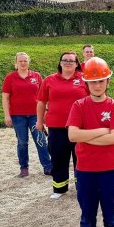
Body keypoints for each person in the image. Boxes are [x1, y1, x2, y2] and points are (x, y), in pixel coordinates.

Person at [67, 57, 114, 227]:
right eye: (93, 81)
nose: (97, 85)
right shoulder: (79, 105)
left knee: (111, 215)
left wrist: (87, 135)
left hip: (109, 170)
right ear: (86, 83)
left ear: (108, 81)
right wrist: (102, 131)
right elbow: (73, 136)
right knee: (87, 215)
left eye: (101, 81)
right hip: (85, 171)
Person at [37, 51, 89, 199]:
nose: (67, 63)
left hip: (80, 127)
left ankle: (83, 187)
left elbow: (93, 99)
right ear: (60, 63)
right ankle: (59, 189)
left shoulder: (84, 78)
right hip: (56, 127)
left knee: (81, 157)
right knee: (59, 158)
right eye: (65, 60)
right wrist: (39, 121)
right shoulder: (49, 80)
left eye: (71, 61)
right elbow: (41, 102)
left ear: (76, 64)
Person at [1, 52, 52, 177]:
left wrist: (46, 111)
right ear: (16, 63)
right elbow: (5, 97)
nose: (23, 63)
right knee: (22, 142)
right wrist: (7, 115)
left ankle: (48, 167)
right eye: (20, 61)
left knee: (41, 141)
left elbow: (44, 95)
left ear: (28, 62)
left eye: (25, 61)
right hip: (18, 116)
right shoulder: (10, 78)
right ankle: (24, 167)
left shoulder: (36, 76)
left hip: (36, 115)